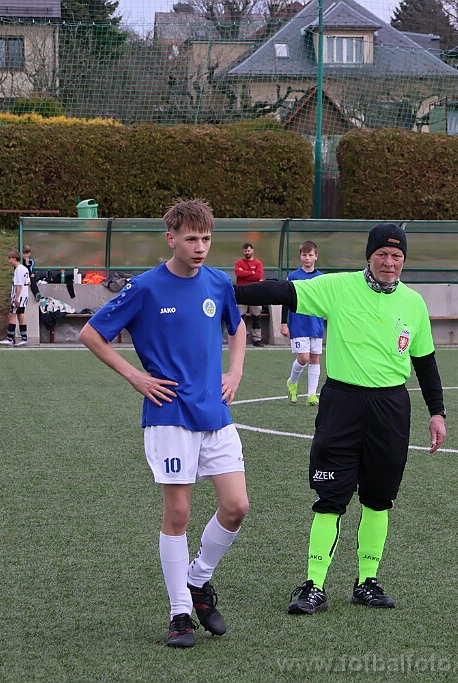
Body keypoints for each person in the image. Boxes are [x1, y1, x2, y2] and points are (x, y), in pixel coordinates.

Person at [235, 223, 447, 616]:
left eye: (397, 256)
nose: (389, 262)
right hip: (343, 405)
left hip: (391, 409)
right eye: (382, 254)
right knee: (330, 498)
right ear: (369, 256)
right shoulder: (339, 287)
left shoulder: (414, 303)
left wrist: (437, 412)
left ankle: (367, 583)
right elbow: (284, 292)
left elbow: (425, 362)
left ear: (404, 261)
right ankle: (314, 586)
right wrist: (227, 292)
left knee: (379, 499)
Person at [80, 199, 248, 648]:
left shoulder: (219, 282)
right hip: (169, 412)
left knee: (237, 506)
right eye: (191, 239)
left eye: (206, 238)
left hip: (215, 413)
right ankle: (179, 614)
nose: (200, 247)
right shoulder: (145, 288)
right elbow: (91, 333)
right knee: (178, 513)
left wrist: (235, 372)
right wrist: (134, 376)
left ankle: (198, 579)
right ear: (171, 239)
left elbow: (237, 328)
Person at [281, 241, 325, 406]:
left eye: (310, 255)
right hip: (299, 323)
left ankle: (311, 395)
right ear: (300, 256)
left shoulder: (321, 277)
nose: (307, 258)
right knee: (303, 358)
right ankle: (292, 382)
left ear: (316, 256)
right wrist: (283, 323)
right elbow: (286, 300)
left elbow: (326, 299)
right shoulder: (293, 277)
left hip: (316, 323)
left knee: (315, 357)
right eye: (304, 255)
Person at [234, 242, 265, 347]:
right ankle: (239, 338)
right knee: (240, 317)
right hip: (241, 293)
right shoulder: (239, 263)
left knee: (256, 316)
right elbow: (238, 273)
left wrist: (245, 274)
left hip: (255, 293)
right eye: (245, 251)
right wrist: (251, 273)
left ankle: (257, 339)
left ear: (252, 250)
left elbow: (258, 276)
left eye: (248, 250)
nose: (247, 252)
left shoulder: (258, 263)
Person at [0, 251, 30, 346]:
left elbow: (19, 285)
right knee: (20, 315)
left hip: (19, 296)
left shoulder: (18, 270)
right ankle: (24, 338)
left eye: (10, 258)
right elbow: (28, 282)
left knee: (12, 315)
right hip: (24, 296)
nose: (9, 260)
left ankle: (10, 338)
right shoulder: (25, 269)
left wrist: (16, 297)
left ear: (14, 259)